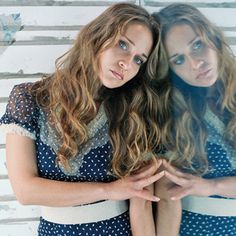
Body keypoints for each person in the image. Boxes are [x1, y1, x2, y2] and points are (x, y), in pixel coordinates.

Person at [0, 3, 165, 236]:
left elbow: (142, 202)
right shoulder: (30, 99)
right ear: (98, 36)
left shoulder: (134, 113)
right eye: (123, 44)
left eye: (139, 59)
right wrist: (109, 191)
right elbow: (26, 191)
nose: (127, 64)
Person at [130, 3, 236, 236]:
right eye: (179, 60)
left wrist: (212, 186)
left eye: (197, 45)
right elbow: (167, 200)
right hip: (194, 229)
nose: (196, 64)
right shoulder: (168, 115)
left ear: (212, 37)